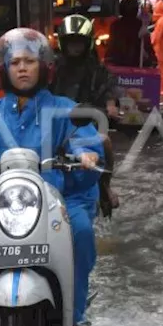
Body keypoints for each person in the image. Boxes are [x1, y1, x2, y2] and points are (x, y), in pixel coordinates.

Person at [0, 29, 103, 324]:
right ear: (4, 70)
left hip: (58, 200)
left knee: (80, 232)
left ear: (44, 67)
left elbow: (82, 137)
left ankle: (75, 318)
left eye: (29, 61)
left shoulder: (63, 107)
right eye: (15, 63)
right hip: (5, 203)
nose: (23, 68)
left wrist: (85, 155)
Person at [54, 14, 121, 217]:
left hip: (86, 124)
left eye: (79, 42)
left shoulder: (97, 70)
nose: (75, 47)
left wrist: (110, 106)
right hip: (54, 124)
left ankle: (104, 188)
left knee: (105, 142)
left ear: (87, 43)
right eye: (71, 42)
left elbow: (109, 91)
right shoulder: (52, 68)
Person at [106, 0, 153, 68]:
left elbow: (111, 45)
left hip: (121, 63)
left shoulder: (116, 25)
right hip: (135, 63)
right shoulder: (140, 24)